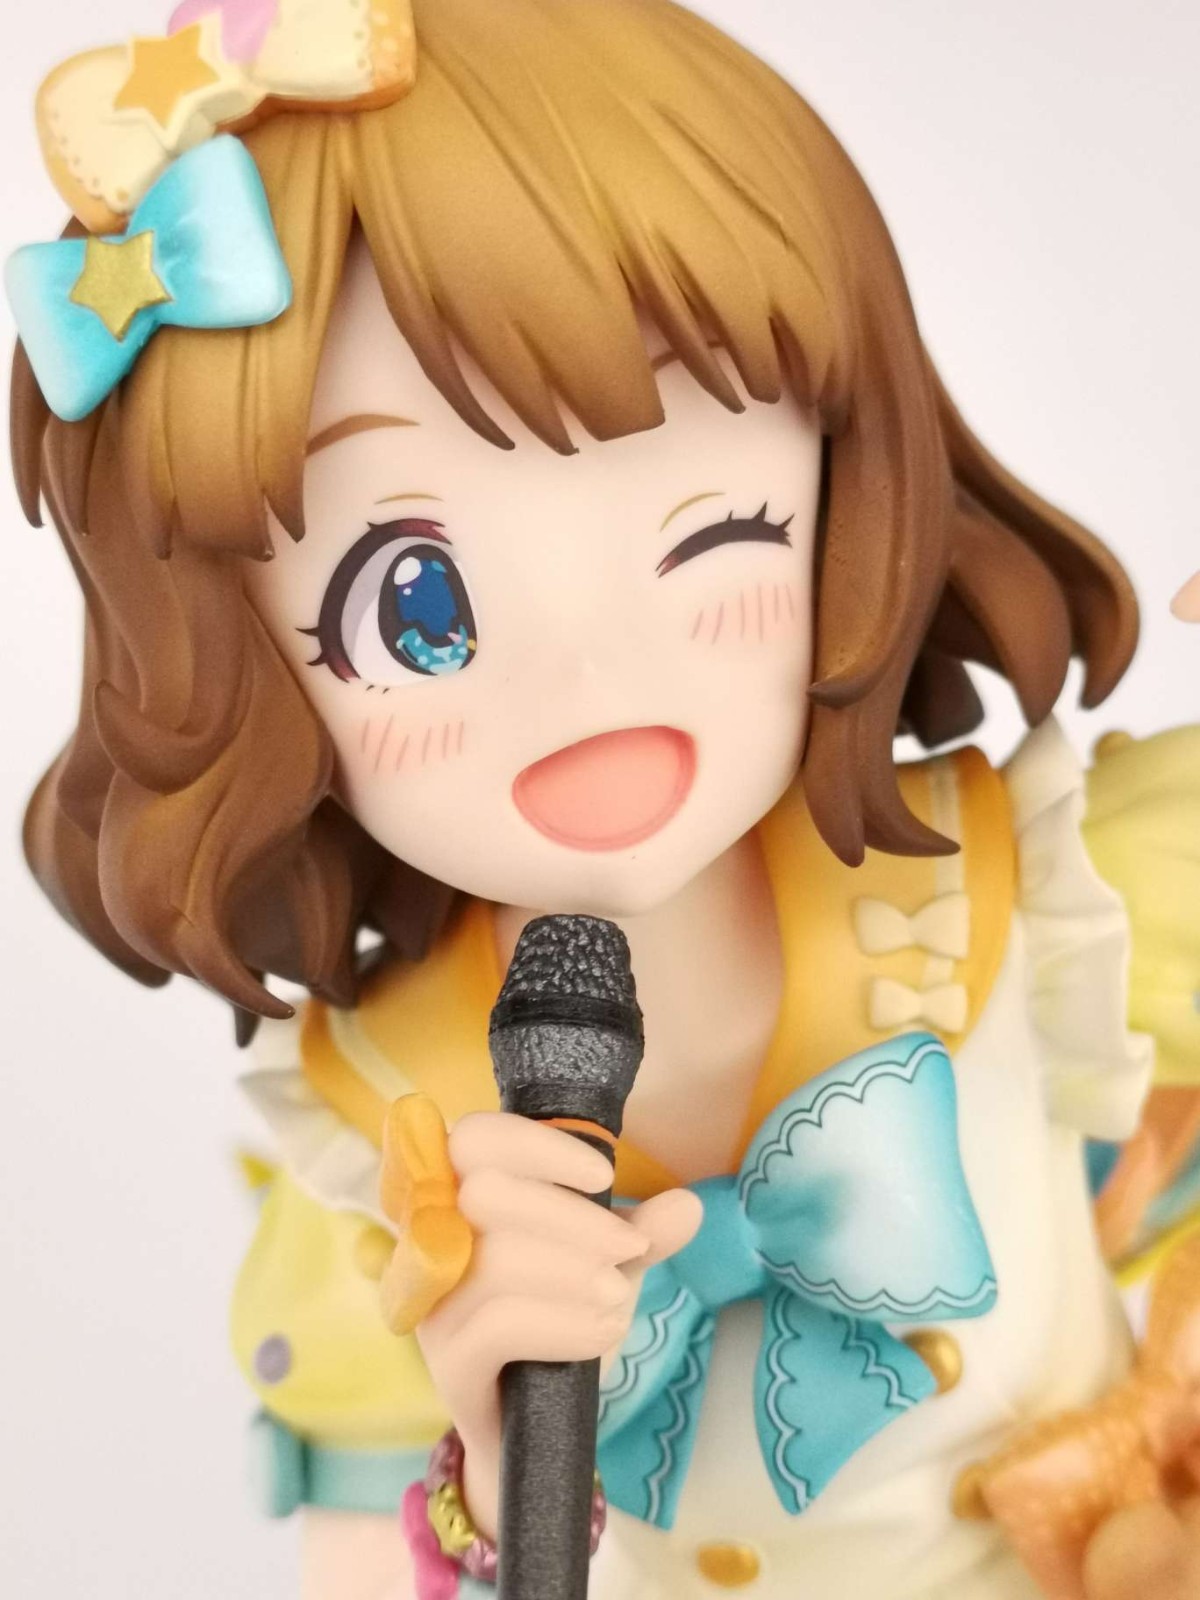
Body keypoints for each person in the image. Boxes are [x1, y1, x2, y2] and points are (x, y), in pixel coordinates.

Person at [7, 0, 1199, 1594]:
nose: (584, 677)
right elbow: (355, 1561)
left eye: (714, 533)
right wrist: (497, 1493)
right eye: (412, 605)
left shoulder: (1040, 888)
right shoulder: (377, 1121)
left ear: (852, 492)